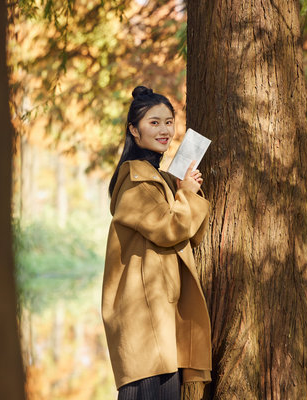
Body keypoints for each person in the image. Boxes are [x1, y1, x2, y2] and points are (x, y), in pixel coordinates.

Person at [102, 86, 212, 400]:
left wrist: (183, 189)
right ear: (134, 130)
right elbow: (168, 228)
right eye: (154, 123)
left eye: (168, 122)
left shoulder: (159, 177)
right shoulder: (136, 180)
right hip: (144, 318)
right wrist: (186, 195)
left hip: (162, 313)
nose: (164, 130)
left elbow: (192, 233)